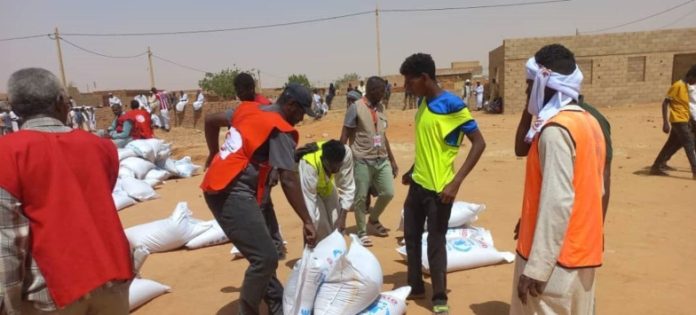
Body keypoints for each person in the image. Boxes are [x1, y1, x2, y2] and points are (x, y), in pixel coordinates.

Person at [0, 68, 133, 314]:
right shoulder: (101, 147)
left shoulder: (6, 153)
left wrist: (9, 306)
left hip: (51, 291)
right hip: (112, 277)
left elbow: (7, 242)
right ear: (62, 102)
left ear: (14, 109)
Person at [200, 80, 318, 315]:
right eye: (301, 112)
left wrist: (213, 152)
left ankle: (276, 304)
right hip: (231, 192)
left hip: (229, 185)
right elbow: (289, 179)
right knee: (265, 257)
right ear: (291, 105)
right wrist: (307, 219)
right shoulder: (280, 128)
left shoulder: (248, 108)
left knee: (264, 251)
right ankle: (248, 309)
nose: (302, 119)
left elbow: (211, 120)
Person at [510, 44, 607, 315]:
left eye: (530, 86)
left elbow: (557, 201)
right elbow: (596, 188)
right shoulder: (589, 122)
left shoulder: (555, 131)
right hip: (582, 253)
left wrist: (538, 267)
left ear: (546, 85)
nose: (528, 92)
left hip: (554, 264)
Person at [399, 53, 486, 315]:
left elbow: (479, 143)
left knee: (435, 242)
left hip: (440, 190)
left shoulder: (452, 105)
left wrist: (456, 183)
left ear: (424, 78)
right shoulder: (423, 103)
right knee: (411, 237)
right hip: (418, 185)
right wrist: (412, 170)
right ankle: (414, 284)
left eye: (409, 82)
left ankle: (438, 296)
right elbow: (430, 145)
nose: (407, 87)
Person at [340, 76, 397, 247]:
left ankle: (373, 220)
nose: (383, 94)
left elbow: (383, 136)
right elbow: (344, 134)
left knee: (388, 192)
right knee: (361, 197)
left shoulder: (381, 107)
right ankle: (361, 231)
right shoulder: (355, 108)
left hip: (381, 159)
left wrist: (392, 160)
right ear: (372, 91)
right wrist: (339, 159)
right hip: (361, 159)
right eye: (381, 91)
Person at [295, 139, 355, 241]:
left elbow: (347, 187)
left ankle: (336, 253)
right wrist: (310, 227)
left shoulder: (345, 154)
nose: (335, 171)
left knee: (337, 223)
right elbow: (310, 202)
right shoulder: (309, 164)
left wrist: (342, 218)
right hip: (311, 190)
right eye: (331, 168)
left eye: (338, 167)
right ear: (324, 159)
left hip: (327, 187)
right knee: (321, 226)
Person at [649, 65, 696, 179]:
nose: (695, 83)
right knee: (689, 144)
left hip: (684, 120)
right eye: (695, 80)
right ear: (691, 76)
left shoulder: (685, 86)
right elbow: (665, 103)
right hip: (678, 120)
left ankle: (658, 165)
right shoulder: (677, 85)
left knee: (673, 144)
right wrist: (665, 122)